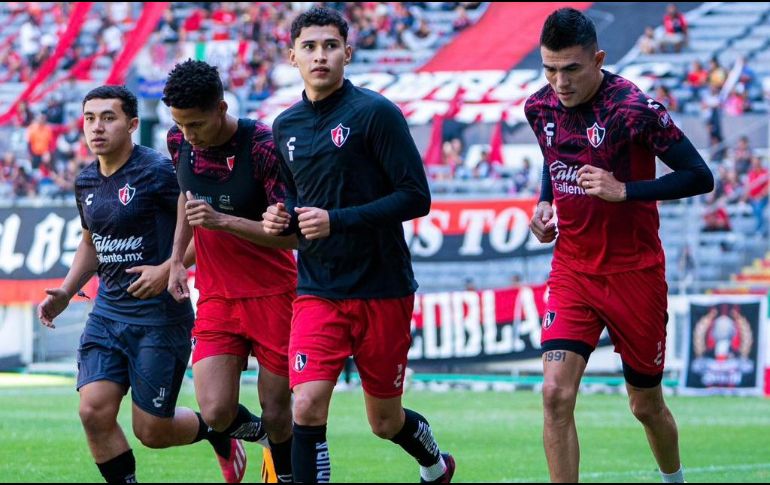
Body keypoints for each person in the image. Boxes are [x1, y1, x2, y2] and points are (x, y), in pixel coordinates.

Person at [262, 7, 455, 484]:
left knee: (384, 421)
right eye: (309, 47)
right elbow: (293, 195)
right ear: (292, 56)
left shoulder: (376, 113)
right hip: (317, 288)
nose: (320, 55)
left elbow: (416, 197)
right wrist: (279, 212)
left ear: (347, 52)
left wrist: (337, 221)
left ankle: (436, 464)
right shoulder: (284, 126)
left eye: (330, 45)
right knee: (305, 405)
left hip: (382, 287)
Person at [525, 9, 714, 483]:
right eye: (549, 69)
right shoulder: (538, 107)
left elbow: (700, 176)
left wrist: (625, 189)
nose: (559, 82)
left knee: (645, 406)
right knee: (554, 394)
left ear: (598, 59)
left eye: (571, 69)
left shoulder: (634, 108)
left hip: (635, 274)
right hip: (573, 271)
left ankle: (674, 478)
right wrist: (545, 204)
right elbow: (555, 158)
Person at [37, 85, 243, 484]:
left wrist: (167, 268)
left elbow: (204, 230)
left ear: (132, 124)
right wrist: (65, 291)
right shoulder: (86, 182)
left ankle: (219, 432)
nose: (97, 127)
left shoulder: (160, 172)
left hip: (160, 319)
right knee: (92, 411)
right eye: (90, 118)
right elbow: (90, 241)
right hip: (108, 315)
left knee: (152, 432)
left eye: (109, 117)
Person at [162, 59, 297, 483]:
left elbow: (292, 237)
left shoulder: (262, 146)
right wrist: (175, 262)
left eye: (197, 124)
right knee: (217, 412)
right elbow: (188, 197)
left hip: (274, 291)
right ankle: (266, 443)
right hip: (218, 294)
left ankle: (284, 468)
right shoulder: (178, 141)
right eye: (181, 125)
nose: (189, 135)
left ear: (221, 108)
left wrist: (223, 222)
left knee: (278, 410)